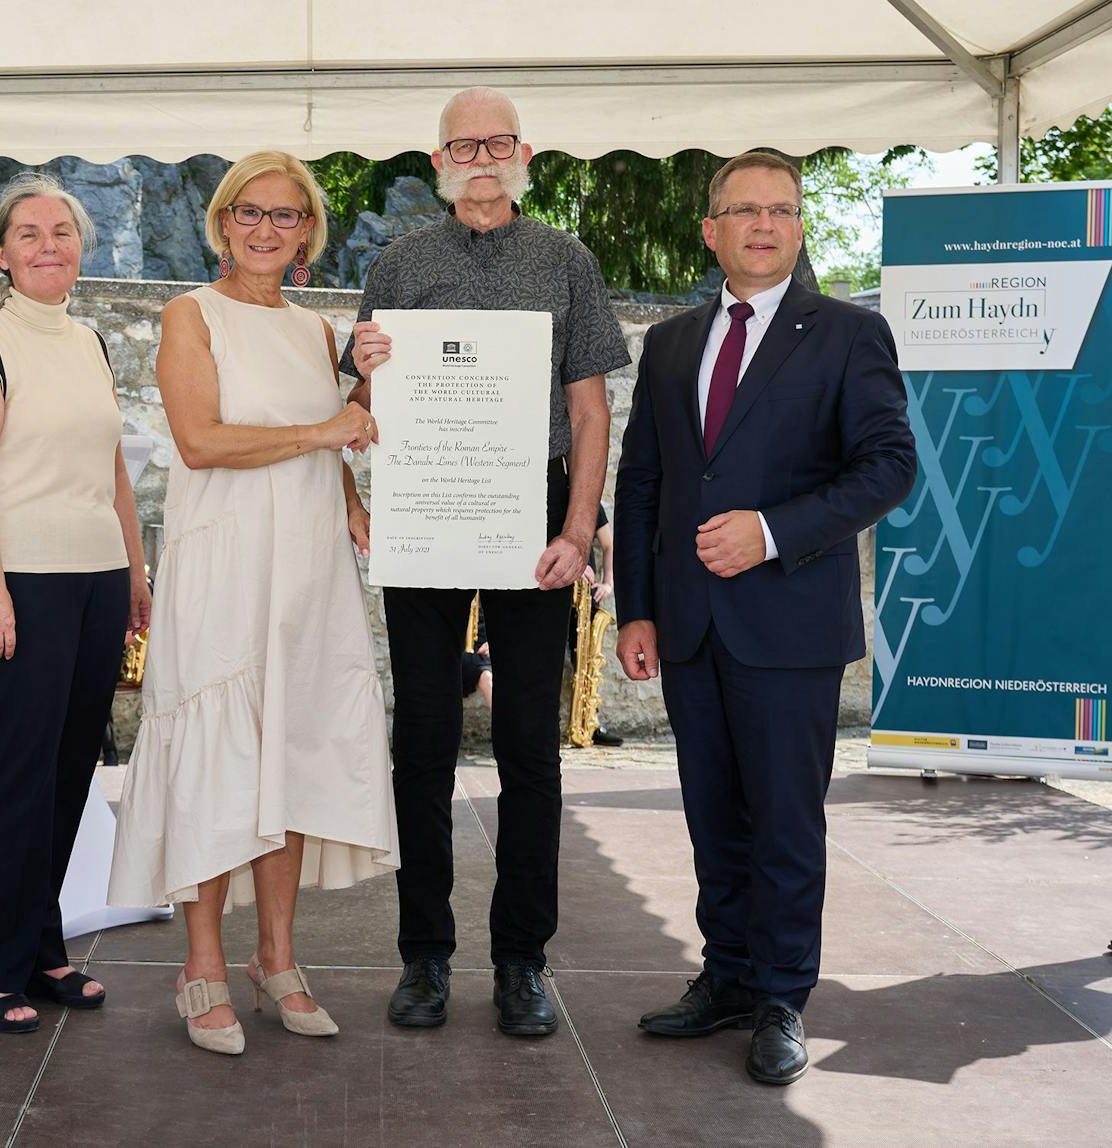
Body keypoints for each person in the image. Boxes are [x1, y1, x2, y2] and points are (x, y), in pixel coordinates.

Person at [613, 151, 916, 1084]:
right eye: (743, 209)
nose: (762, 224)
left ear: (798, 227)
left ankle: (784, 997)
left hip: (788, 622)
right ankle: (730, 977)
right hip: (691, 624)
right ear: (711, 231)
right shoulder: (669, 344)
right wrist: (637, 609)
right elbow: (646, 483)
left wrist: (773, 533)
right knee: (713, 815)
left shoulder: (849, 336)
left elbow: (888, 468)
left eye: (781, 209)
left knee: (784, 821)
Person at [341, 87, 630, 1037]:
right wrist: (364, 359)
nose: (481, 157)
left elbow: (590, 412)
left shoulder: (567, 260)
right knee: (421, 735)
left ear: (527, 155)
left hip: (535, 513)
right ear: (436, 163)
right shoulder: (399, 260)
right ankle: (424, 956)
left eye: (497, 141)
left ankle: (522, 962)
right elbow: (364, 401)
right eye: (462, 144)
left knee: (527, 750)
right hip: (428, 509)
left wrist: (580, 531)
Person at [109, 150, 399, 1056]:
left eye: (287, 215)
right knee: (216, 760)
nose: (267, 229)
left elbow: (334, 449)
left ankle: (278, 959)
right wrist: (326, 426)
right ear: (223, 223)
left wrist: (354, 494)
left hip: (310, 571)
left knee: (293, 754)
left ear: (308, 231)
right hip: (224, 565)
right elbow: (199, 442)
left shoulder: (319, 334)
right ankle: (203, 966)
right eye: (250, 213)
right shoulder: (189, 315)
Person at [0, 173, 151, 1033]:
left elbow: (112, 472)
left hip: (96, 581)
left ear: (81, 247)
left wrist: (136, 573)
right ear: (1, 253)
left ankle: (42, 945)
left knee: (68, 774)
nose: (47, 245)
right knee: (13, 777)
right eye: (28, 233)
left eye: (61, 231)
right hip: (13, 582)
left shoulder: (91, 342)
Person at [567, 504, 623, 747]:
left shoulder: (590, 503)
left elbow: (609, 545)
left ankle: (590, 723)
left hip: (584, 597)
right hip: (551, 591)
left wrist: (607, 582)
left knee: (586, 661)